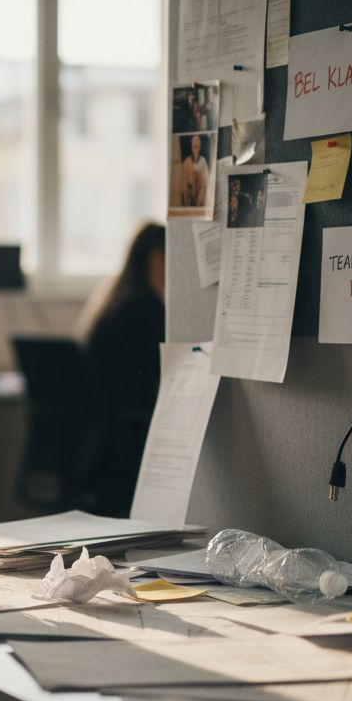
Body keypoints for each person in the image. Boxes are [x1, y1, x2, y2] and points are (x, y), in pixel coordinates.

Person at [79, 223, 165, 517]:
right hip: (126, 441)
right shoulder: (146, 307)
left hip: (102, 438)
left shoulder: (114, 300)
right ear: (156, 258)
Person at [181, 134, 209, 208]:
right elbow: (184, 183)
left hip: (200, 197)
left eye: (197, 146)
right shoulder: (187, 162)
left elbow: (206, 182)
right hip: (189, 196)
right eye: (194, 146)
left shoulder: (203, 161)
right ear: (191, 147)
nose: (196, 148)